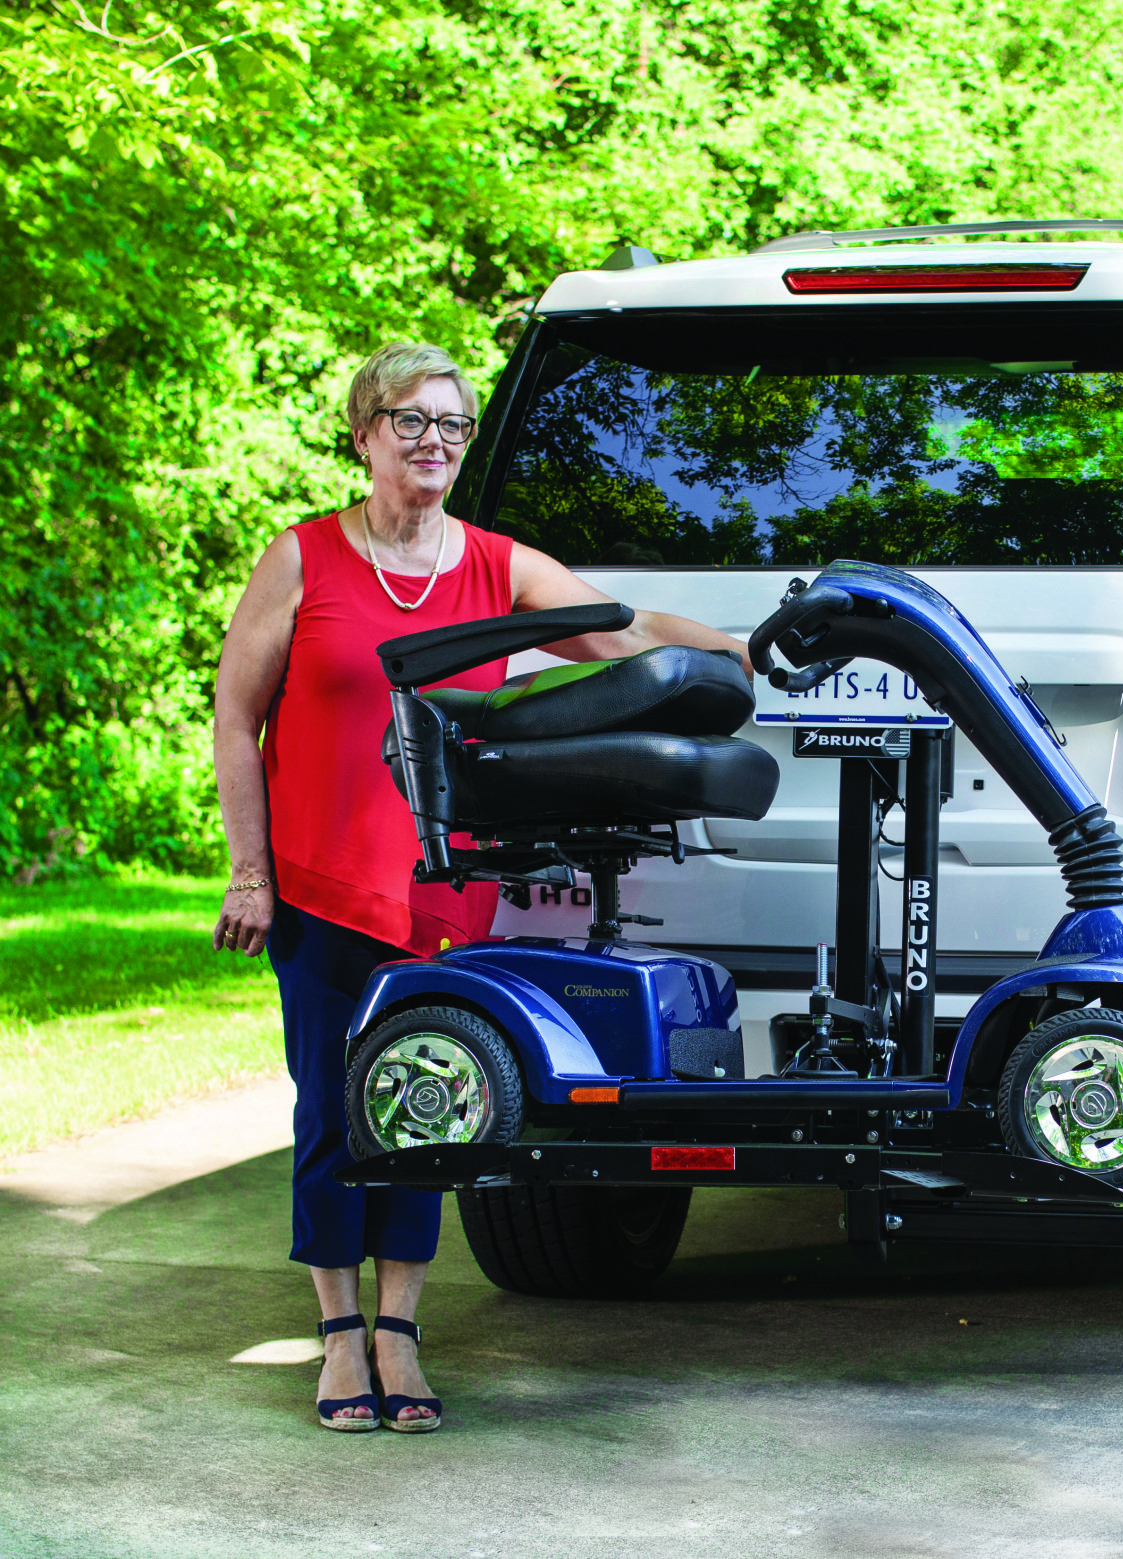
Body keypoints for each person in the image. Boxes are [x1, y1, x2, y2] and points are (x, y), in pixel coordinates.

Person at [210, 342, 749, 1431]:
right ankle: (336, 1336)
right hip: (319, 886)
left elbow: (620, 629)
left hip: (440, 892)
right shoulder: (305, 558)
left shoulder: (497, 564)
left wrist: (737, 646)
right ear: (364, 432)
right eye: (411, 421)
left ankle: (399, 1334)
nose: (434, 443)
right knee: (329, 1107)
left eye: (452, 426)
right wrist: (252, 872)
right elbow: (236, 716)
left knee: (430, 1107)